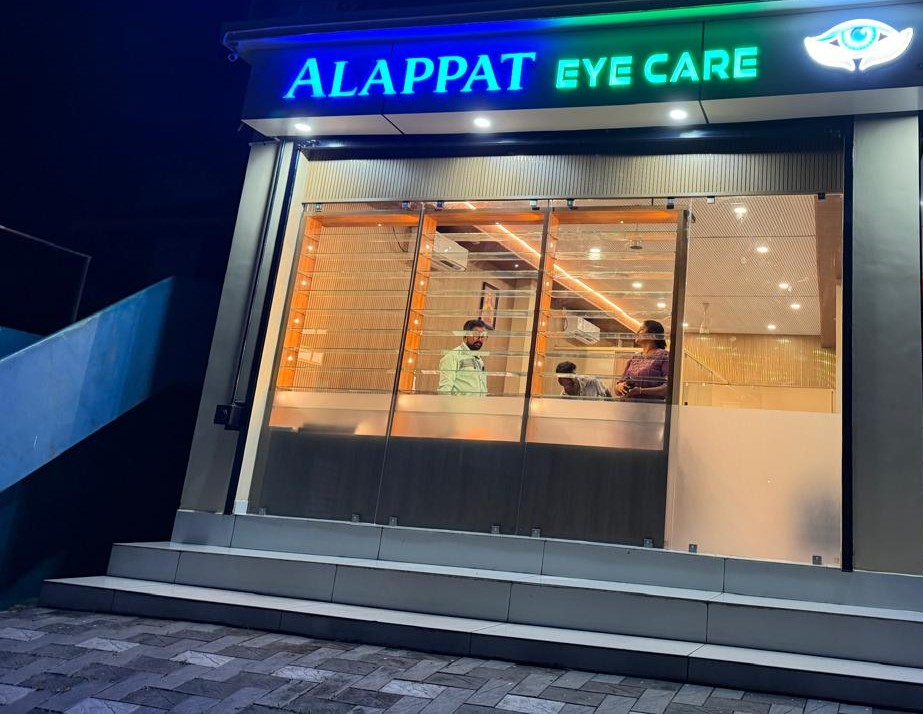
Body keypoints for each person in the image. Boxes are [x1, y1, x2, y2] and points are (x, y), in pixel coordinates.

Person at [614, 319, 670, 400]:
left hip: (651, 408)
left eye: (641, 329)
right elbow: (617, 389)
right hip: (627, 407)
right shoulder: (634, 358)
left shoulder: (663, 356)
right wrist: (619, 387)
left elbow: (668, 388)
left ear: (653, 334)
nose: (637, 333)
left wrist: (641, 391)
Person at [438, 319, 489, 395]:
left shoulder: (479, 360)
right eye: (476, 335)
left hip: (479, 406)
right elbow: (444, 390)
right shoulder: (453, 356)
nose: (480, 339)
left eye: (483, 336)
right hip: (460, 406)